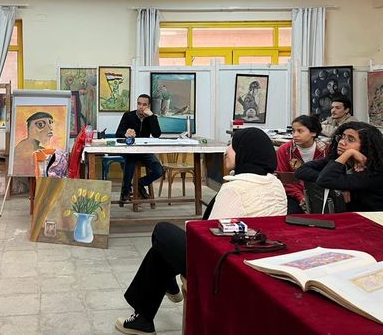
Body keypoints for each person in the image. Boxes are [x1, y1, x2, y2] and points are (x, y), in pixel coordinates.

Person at [115, 128, 287, 335]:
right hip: (258, 258)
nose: (226, 150)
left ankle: (150, 309)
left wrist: (189, 232)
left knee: (162, 233)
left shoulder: (235, 189)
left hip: (226, 267)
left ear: (244, 152)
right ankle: (146, 313)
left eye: (231, 146)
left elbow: (208, 238)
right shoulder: (275, 184)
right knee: (164, 248)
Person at [295, 121, 383, 212]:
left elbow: (325, 180)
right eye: (342, 137)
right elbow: (301, 170)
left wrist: (349, 152)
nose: (341, 142)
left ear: (366, 146)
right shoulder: (338, 159)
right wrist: (338, 184)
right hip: (349, 215)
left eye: (350, 139)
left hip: (372, 217)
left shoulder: (373, 172)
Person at [276, 115, 329, 214]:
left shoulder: (326, 150)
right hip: (293, 195)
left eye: (300, 131)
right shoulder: (285, 150)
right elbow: (284, 180)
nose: (295, 135)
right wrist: (300, 197)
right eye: (293, 131)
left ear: (313, 132)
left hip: (321, 194)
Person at [115, 94, 163, 202]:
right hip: (130, 150)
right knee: (131, 160)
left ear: (149, 106)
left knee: (159, 170)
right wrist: (125, 133)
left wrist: (152, 116)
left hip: (144, 151)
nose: (141, 107)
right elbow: (118, 134)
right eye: (139, 104)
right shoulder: (128, 115)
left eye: (144, 105)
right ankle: (125, 191)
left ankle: (139, 183)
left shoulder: (151, 118)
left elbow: (157, 134)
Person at [12, 111, 54, 176]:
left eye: (50, 123)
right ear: (29, 129)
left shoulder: (40, 149)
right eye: (40, 124)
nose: (51, 128)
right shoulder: (23, 149)